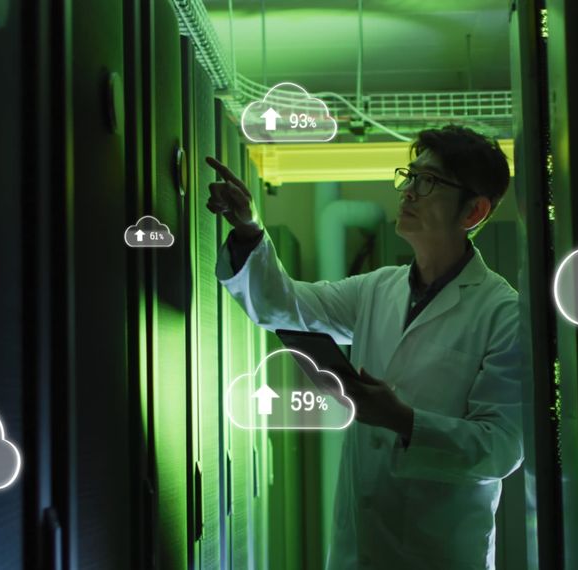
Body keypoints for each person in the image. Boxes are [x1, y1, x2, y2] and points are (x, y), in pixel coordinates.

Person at [206, 125, 524, 569]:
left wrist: (402, 419)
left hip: (443, 556)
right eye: (408, 177)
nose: (408, 191)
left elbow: (501, 448)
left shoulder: (503, 312)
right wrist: (249, 228)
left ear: (474, 211)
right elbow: (284, 305)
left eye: (427, 181)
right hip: (359, 550)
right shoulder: (378, 290)